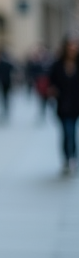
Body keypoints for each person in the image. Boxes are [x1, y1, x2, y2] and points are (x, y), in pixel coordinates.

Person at [47, 36, 79, 176]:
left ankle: (72, 158)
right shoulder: (57, 65)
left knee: (71, 131)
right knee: (67, 132)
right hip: (62, 105)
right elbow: (51, 81)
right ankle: (68, 158)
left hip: (76, 105)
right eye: (70, 46)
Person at [0, 49, 15, 123]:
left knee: (5, 98)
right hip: (0, 84)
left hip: (5, 83)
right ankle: (3, 111)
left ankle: (5, 111)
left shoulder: (4, 64)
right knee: (1, 98)